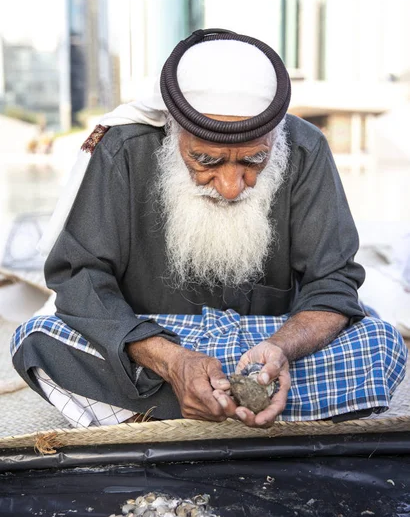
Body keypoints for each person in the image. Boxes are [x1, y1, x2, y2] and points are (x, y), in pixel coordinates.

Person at [11, 29, 406, 429]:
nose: (232, 187)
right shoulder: (124, 151)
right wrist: (172, 361)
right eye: (206, 160)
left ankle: (163, 415)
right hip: (156, 341)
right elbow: (80, 278)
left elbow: (333, 281)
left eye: (253, 161)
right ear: (172, 131)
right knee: (39, 339)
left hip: (266, 347)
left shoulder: (306, 150)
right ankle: (256, 414)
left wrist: (281, 349)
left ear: (274, 137)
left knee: (379, 344)